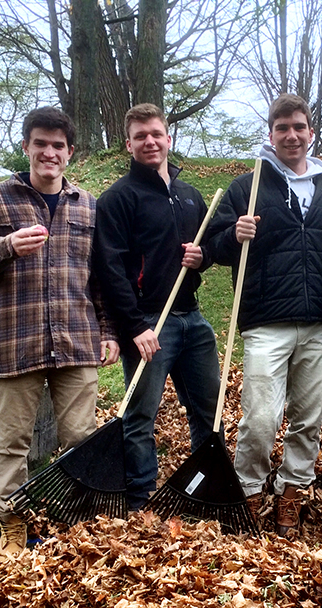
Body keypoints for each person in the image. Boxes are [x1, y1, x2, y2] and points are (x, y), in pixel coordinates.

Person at [0, 106, 119, 560]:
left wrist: (109, 331)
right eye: (40, 143)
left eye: (58, 145)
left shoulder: (88, 205)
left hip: (76, 341)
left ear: (70, 152)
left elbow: (101, 277)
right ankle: (11, 524)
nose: (49, 152)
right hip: (16, 342)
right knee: (11, 442)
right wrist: (5, 246)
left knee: (81, 438)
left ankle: (73, 521)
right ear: (25, 146)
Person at [207, 93, 322, 537]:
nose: (291, 135)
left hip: (318, 318)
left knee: (309, 416)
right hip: (265, 319)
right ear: (271, 134)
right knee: (261, 417)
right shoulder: (248, 185)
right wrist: (232, 234)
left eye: (299, 127)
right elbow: (211, 246)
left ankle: (292, 492)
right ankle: (248, 489)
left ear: (311, 131)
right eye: (282, 128)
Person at [94, 104, 220, 510]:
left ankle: (202, 486)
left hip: (193, 319)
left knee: (208, 411)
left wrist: (204, 257)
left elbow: (209, 246)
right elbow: (109, 267)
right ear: (128, 144)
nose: (150, 141)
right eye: (141, 136)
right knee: (140, 416)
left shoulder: (189, 195)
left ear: (169, 138)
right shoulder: (118, 198)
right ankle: (140, 497)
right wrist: (134, 325)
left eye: (156, 134)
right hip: (150, 322)